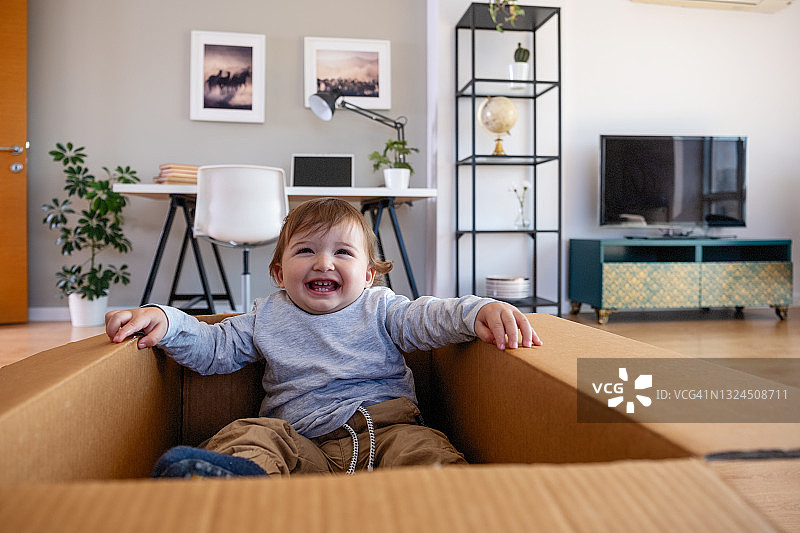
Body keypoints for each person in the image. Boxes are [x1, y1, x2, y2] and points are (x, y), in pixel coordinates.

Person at [106, 197, 542, 479]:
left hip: (388, 433)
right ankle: (233, 486)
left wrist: (478, 310)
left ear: (369, 275)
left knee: (426, 451)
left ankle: (453, 507)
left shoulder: (382, 308)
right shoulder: (266, 316)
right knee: (252, 432)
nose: (323, 263)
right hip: (303, 448)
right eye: (305, 250)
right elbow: (214, 348)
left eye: (342, 252)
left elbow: (430, 317)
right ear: (279, 273)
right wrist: (167, 321)